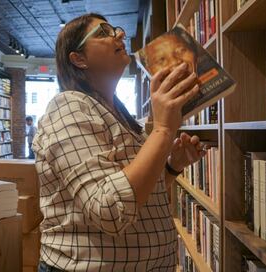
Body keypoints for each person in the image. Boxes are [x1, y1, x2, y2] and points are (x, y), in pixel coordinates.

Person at [32, 13, 204, 271]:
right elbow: (109, 211)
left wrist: (171, 167)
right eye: (103, 32)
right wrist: (164, 130)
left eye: (116, 29)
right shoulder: (67, 106)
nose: (120, 34)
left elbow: (137, 196)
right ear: (78, 59)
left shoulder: (118, 113)